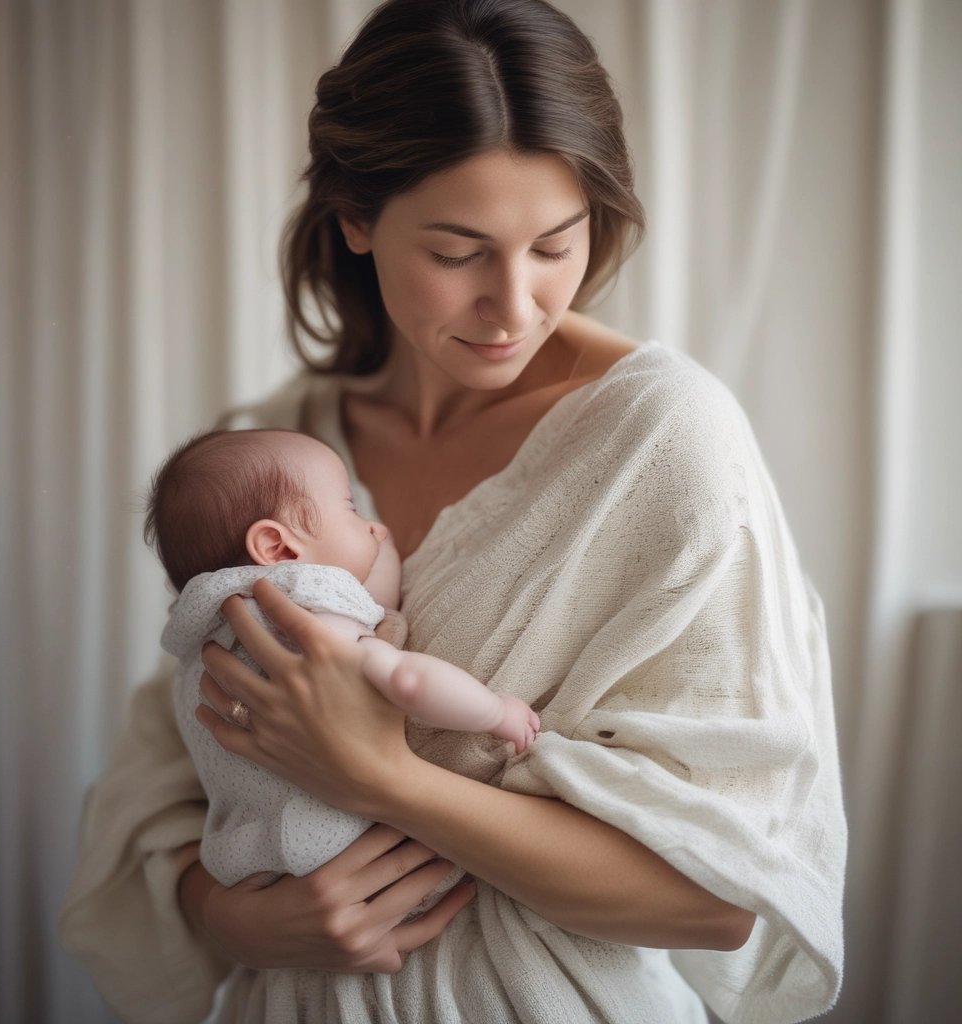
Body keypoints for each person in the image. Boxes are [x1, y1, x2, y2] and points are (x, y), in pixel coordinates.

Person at [58, 1, 847, 1022]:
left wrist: (386, 776)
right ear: (355, 220)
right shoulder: (279, 449)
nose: (515, 305)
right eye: (458, 251)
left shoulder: (661, 440)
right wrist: (233, 918)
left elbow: (716, 895)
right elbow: (167, 780)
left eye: (555, 245)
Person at [145, 426, 539, 892]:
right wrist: (496, 711)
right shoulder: (313, 622)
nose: (374, 527)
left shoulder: (204, 641)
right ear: (276, 547)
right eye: (351, 509)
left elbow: (374, 607)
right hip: (348, 854)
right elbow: (409, 682)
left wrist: (369, 548)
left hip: (250, 866)